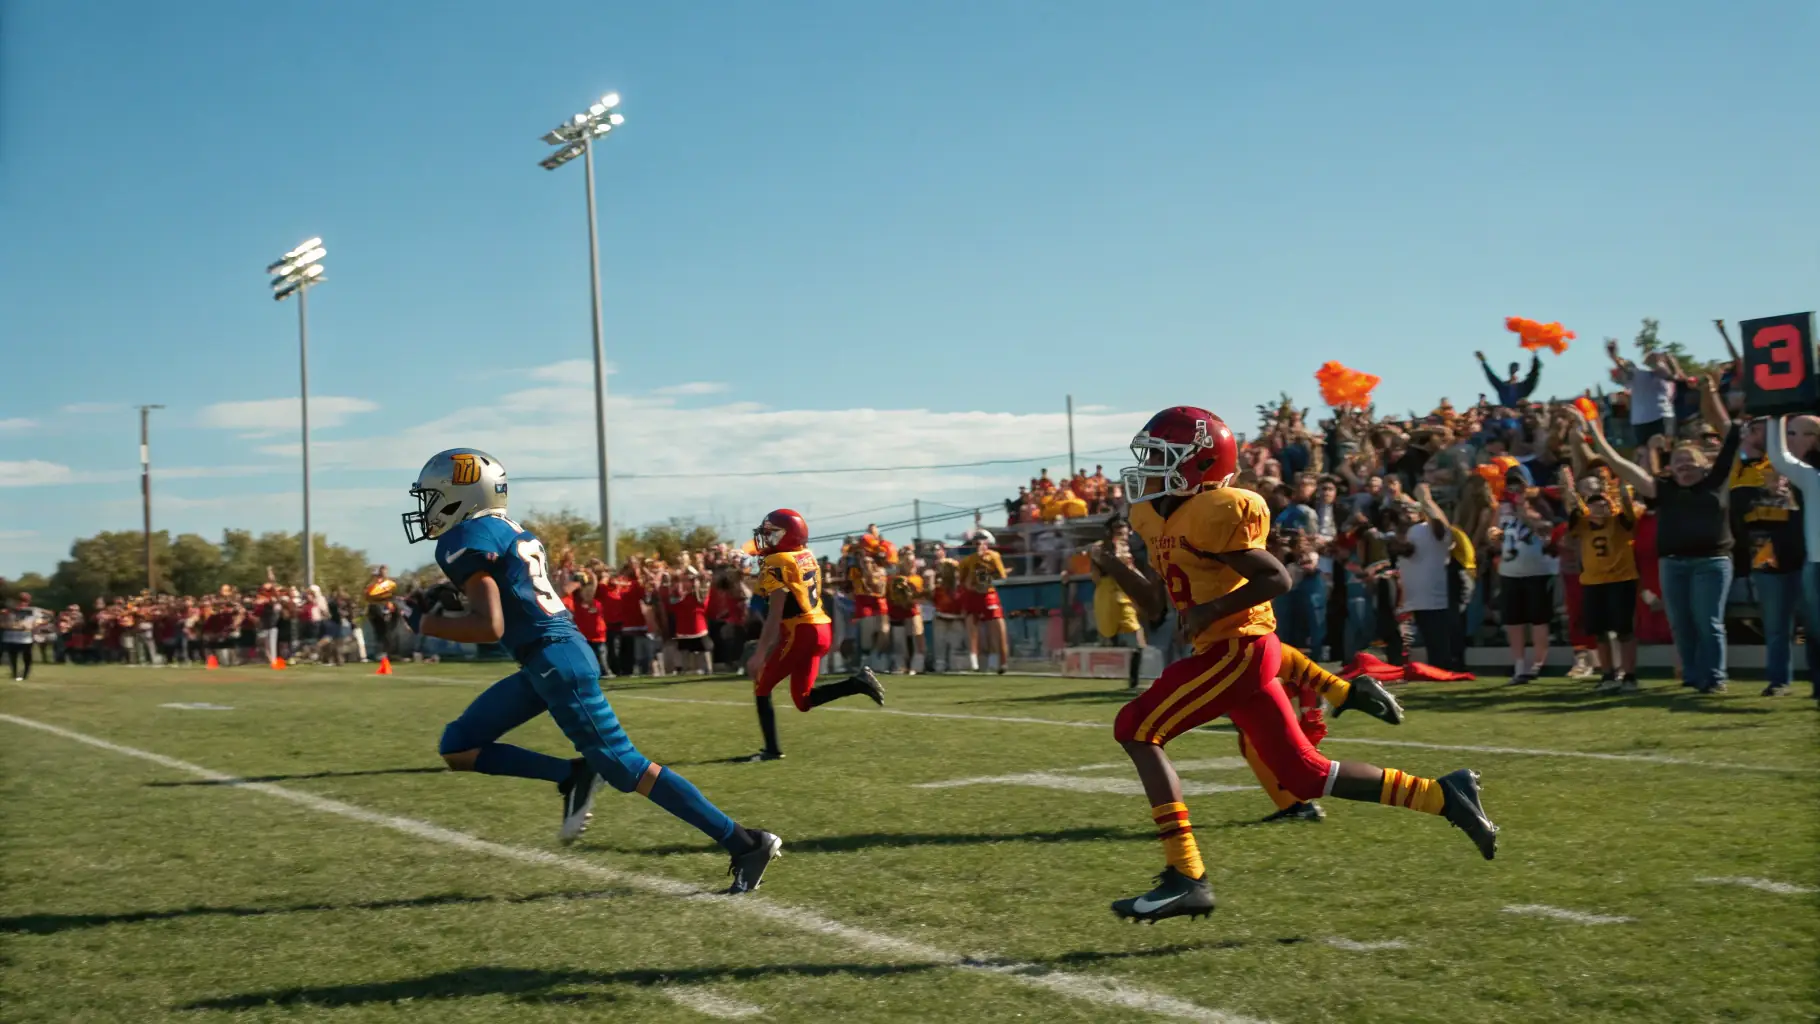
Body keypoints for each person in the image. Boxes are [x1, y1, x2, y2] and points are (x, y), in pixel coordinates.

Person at [1096, 406, 1496, 923]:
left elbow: (1276, 578)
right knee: (1304, 776)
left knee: (1135, 727)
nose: (1148, 466)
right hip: (1231, 653)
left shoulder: (1217, 510)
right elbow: (1154, 606)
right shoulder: (1154, 515)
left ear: (1199, 464)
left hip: (1237, 649)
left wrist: (1212, 609)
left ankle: (1186, 875)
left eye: (1160, 456)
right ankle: (1443, 794)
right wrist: (1115, 568)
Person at [406, 448, 781, 893]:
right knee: (459, 745)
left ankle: (744, 841)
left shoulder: (465, 538)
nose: (426, 508)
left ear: (459, 494)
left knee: (626, 767)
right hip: (548, 659)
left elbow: (490, 625)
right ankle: (572, 774)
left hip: (555, 662)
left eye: (432, 496)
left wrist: (423, 623)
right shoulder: (505, 528)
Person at [1574, 402, 1740, 693]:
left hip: (1711, 561)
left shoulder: (1716, 481)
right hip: (1673, 563)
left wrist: (1716, 403)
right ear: (1670, 467)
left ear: (1704, 465)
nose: (1685, 468)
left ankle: (1715, 678)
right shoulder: (1663, 489)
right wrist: (1595, 433)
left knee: (1708, 621)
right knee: (1680, 623)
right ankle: (1690, 675)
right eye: (1679, 463)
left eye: (1690, 463)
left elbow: (1732, 438)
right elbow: (1618, 465)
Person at [744, 510, 885, 761]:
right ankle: (858, 682)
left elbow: (775, 615)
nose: (766, 538)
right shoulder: (806, 556)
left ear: (788, 535)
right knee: (803, 700)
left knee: (762, 685)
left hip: (801, 631)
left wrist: (759, 653)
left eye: (771, 533)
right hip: (821, 628)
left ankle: (772, 750)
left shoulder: (777, 562)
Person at [1562, 467, 1640, 692]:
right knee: (1600, 631)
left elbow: (1625, 501)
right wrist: (1569, 489)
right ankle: (1608, 674)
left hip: (1622, 579)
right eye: (1595, 503)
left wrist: (1623, 481)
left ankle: (1630, 675)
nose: (1600, 507)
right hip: (1593, 582)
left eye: (1604, 503)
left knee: (1624, 630)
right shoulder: (1583, 524)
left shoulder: (1620, 521)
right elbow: (1572, 507)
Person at [1764, 414, 1820, 700]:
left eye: (1797, 433)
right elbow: (1779, 456)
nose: (1792, 438)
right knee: (1816, 630)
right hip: (1815, 564)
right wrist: (1776, 417)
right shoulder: (1812, 477)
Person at [1492, 463, 1558, 685]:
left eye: (1518, 483)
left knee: (1539, 620)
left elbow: (1547, 528)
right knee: (1514, 621)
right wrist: (1493, 534)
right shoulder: (1500, 507)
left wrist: (1524, 509)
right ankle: (1519, 664)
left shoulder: (1540, 502)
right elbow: (1492, 531)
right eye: (1510, 484)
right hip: (1510, 571)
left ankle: (1538, 664)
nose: (1514, 489)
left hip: (1538, 570)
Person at [1089, 519, 1146, 689]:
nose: (1126, 536)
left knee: (1134, 636)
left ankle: (1133, 679)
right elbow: (1098, 572)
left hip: (1119, 593)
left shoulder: (1121, 550)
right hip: (1110, 593)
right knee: (1121, 635)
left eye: (1126, 532)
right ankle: (1131, 678)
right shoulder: (1103, 548)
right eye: (1120, 533)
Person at [958, 532, 1010, 673]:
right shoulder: (967, 561)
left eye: (982, 543)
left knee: (997, 626)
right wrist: (971, 584)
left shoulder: (994, 556)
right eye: (976, 543)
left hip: (988, 594)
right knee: (972, 628)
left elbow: (1002, 575)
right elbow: (962, 582)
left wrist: (988, 580)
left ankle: (1000, 662)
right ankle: (974, 660)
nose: (979, 546)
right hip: (973, 595)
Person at [885, 549, 925, 675]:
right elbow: (887, 596)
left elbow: (921, 597)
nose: (909, 563)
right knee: (899, 641)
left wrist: (911, 597)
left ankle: (916, 666)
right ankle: (900, 665)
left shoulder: (917, 578)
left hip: (912, 610)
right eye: (906, 560)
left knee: (915, 636)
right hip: (896, 612)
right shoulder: (892, 578)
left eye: (910, 560)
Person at [1475, 350, 1541, 407]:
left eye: (1516, 370)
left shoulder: (1524, 387)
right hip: (1504, 416)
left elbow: (1534, 376)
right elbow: (1491, 376)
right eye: (1512, 370)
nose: (1514, 372)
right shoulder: (1503, 387)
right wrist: (1483, 362)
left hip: (1520, 415)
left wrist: (1535, 357)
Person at [4, 593, 41, 681]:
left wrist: (34, 625)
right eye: (20, 601)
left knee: (27, 657)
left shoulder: (33, 611)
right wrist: (8, 625)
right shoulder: (8, 611)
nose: (22, 603)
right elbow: (3, 622)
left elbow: (41, 620)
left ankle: (25, 675)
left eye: (25, 601)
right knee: (13, 657)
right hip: (11, 636)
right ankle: (14, 674)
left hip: (26, 638)